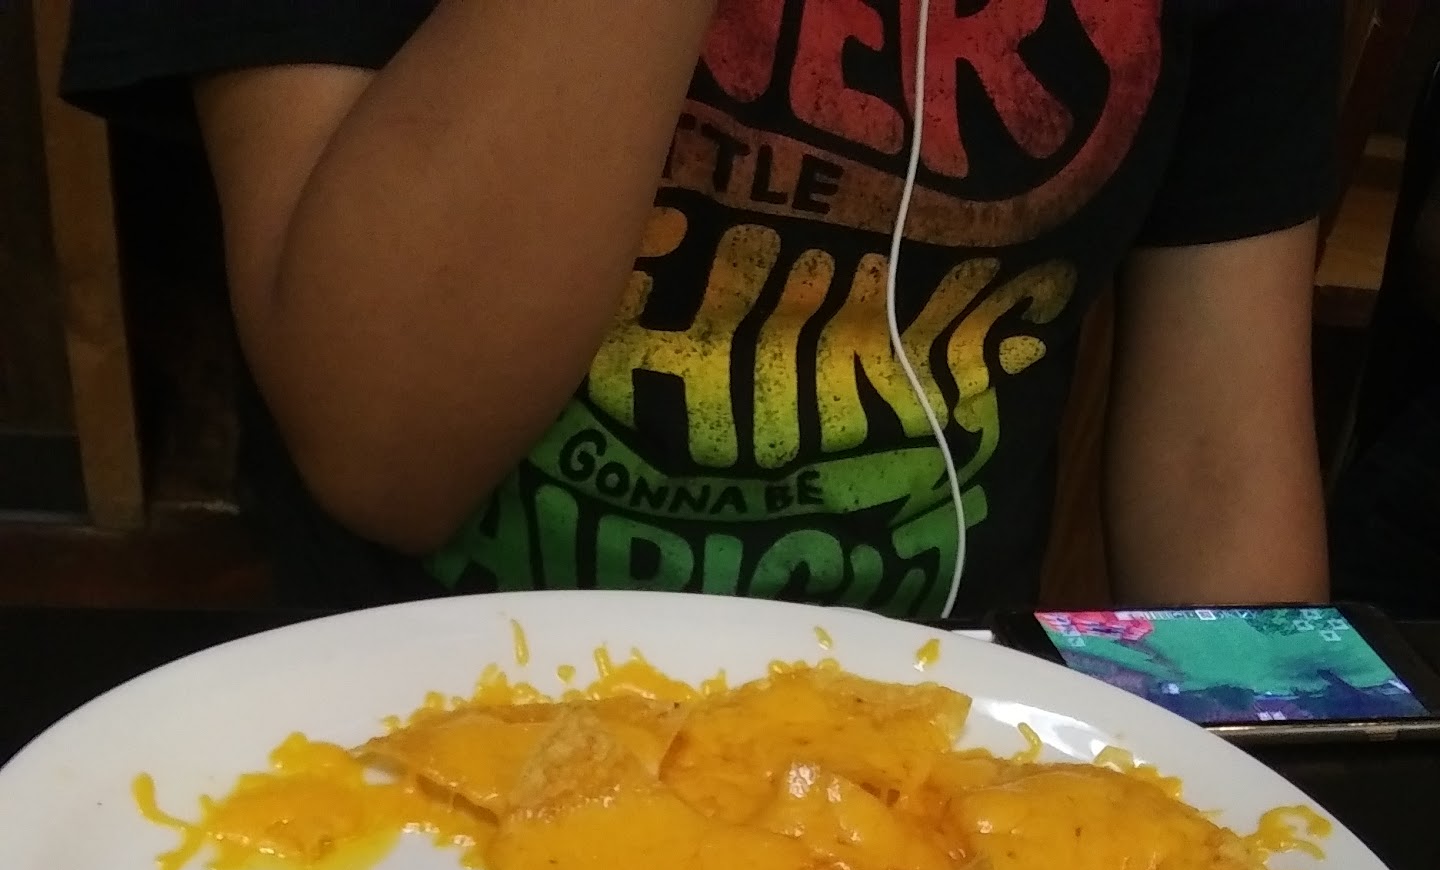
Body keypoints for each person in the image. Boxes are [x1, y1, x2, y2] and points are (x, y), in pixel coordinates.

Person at [64, 0, 1338, 622]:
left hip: (932, 783)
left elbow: (1221, 474)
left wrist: (1277, 868)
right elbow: (386, 450)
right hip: (412, 770)